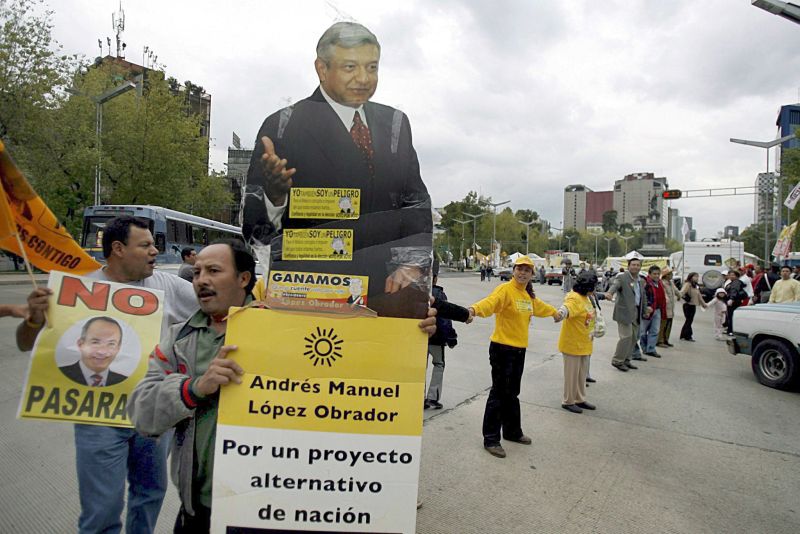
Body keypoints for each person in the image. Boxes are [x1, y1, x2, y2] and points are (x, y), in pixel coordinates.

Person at [129, 240, 436, 532]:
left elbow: (360, 362)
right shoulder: (179, 339)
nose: (200, 280)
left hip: (278, 507)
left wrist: (410, 325)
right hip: (201, 510)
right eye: (196, 272)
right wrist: (194, 388)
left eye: (213, 271)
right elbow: (142, 414)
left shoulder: (287, 323)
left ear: (243, 278)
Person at [16, 215, 197, 534]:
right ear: (118, 249)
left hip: (152, 417)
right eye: (145, 245)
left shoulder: (167, 285)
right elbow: (24, 343)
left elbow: (214, 309)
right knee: (102, 510)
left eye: (154, 244)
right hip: (98, 419)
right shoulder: (78, 288)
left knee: (150, 495)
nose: (155, 251)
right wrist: (33, 319)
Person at [243, 21, 432, 320]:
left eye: (372, 67)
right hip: (311, 298)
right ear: (321, 68)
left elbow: (416, 204)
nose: (363, 78)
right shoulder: (284, 126)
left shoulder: (395, 124)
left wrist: (411, 264)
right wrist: (275, 197)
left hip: (386, 298)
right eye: (350, 67)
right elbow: (256, 234)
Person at [467, 256, 560, 458]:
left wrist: (554, 313)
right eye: (520, 269)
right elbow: (490, 303)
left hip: (518, 351)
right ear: (514, 270)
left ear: (532, 274)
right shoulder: (505, 290)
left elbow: (540, 307)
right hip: (502, 349)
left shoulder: (527, 295)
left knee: (512, 393)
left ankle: (512, 432)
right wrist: (474, 310)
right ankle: (491, 439)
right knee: (499, 393)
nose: (522, 273)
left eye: (527, 270)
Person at [425, 261, 470, 409]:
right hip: (437, 339)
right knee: (438, 364)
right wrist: (451, 337)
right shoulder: (439, 294)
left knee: (420, 367)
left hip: (420, 337)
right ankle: (432, 397)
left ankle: (418, 396)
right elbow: (445, 320)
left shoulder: (416, 291)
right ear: (435, 278)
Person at [557, 271, 598, 414]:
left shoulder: (587, 297)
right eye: (594, 286)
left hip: (584, 342)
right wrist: (560, 314)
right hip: (572, 344)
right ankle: (568, 401)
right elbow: (566, 308)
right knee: (571, 375)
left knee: (581, 375)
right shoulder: (574, 297)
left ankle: (580, 398)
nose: (595, 288)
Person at [59, 316, 128, 386]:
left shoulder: (126, 383)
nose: (102, 352)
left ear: (118, 348)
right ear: (80, 344)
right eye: (95, 342)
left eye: (111, 344)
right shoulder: (56, 374)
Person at [605, 258, 646, 372]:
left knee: (634, 338)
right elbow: (615, 285)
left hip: (636, 312)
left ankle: (627, 359)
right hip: (624, 312)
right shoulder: (622, 277)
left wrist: (645, 309)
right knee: (626, 337)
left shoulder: (641, 280)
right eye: (633, 265)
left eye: (638, 265)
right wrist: (609, 293)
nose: (635, 267)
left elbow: (643, 296)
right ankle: (617, 361)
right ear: (628, 266)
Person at [639, 265, 666, 358]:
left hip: (657, 310)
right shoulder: (646, 284)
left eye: (658, 274)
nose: (657, 276)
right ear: (649, 274)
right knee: (642, 331)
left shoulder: (660, 283)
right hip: (648, 310)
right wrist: (646, 308)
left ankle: (651, 349)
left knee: (655, 330)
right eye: (654, 274)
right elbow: (642, 297)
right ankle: (644, 348)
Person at [679, 272, 707, 342]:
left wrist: (703, 304)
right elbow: (681, 292)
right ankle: (687, 336)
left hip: (693, 305)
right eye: (695, 276)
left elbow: (699, 296)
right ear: (690, 277)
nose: (697, 278)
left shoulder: (696, 286)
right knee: (689, 320)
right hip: (687, 305)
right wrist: (681, 297)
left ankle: (684, 335)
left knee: (689, 321)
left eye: (697, 277)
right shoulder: (688, 284)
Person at [656, 268, 679, 348]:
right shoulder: (662, 283)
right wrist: (666, 301)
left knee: (669, 324)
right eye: (670, 274)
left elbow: (676, 291)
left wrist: (679, 295)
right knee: (663, 324)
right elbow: (664, 294)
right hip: (665, 307)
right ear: (666, 275)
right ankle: (660, 341)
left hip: (671, 308)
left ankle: (666, 339)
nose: (671, 275)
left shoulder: (671, 283)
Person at [723, 270, 747, 335]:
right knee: (730, 316)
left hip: (734, 302)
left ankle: (731, 331)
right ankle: (729, 330)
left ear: (737, 276)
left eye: (733, 275)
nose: (731, 276)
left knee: (731, 316)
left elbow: (734, 290)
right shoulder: (733, 282)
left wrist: (731, 299)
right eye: (730, 275)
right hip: (733, 301)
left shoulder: (736, 282)